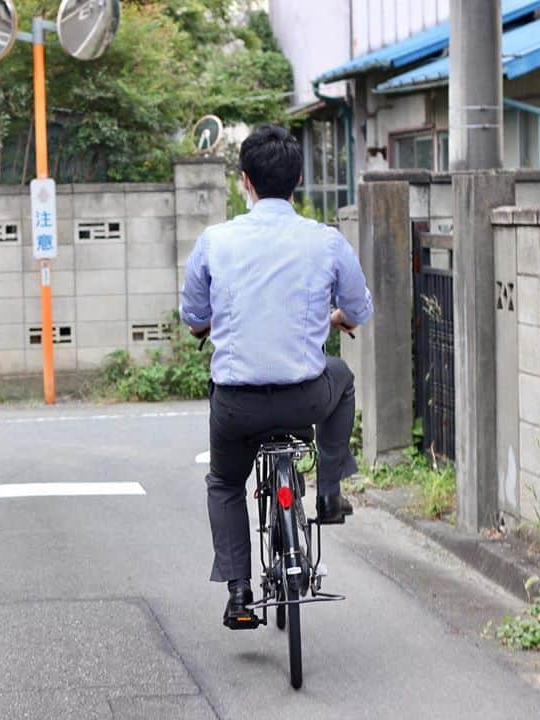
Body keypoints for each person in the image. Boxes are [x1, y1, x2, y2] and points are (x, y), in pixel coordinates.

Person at [179, 125, 374, 628]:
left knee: (224, 482)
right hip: (304, 399)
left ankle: (240, 593)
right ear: (299, 180)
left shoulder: (215, 241)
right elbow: (358, 307)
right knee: (343, 376)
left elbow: (194, 315)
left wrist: (209, 324)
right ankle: (328, 488)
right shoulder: (325, 241)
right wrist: (338, 320)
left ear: (244, 181)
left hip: (236, 406)